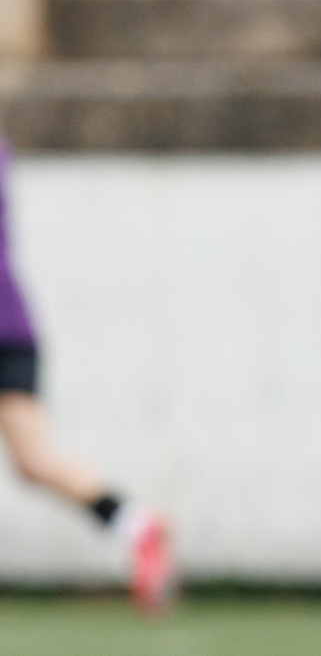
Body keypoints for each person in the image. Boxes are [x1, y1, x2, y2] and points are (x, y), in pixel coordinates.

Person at [0, 136, 173, 614]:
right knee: (33, 460)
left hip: (6, 328)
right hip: (14, 327)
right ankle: (135, 524)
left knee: (34, 458)